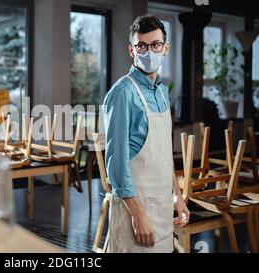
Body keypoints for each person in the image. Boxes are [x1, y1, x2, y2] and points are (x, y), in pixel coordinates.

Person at [103, 14, 190, 253]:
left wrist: (177, 198)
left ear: (165, 49)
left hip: (162, 209)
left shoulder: (162, 92)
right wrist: (138, 215)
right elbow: (116, 164)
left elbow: (164, 156)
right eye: (141, 46)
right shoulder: (122, 93)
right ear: (132, 50)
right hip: (136, 212)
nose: (148, 51)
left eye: (155, 45)